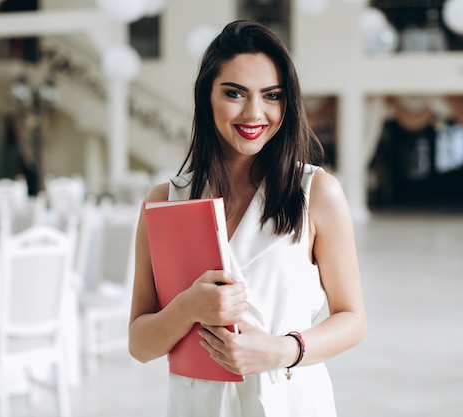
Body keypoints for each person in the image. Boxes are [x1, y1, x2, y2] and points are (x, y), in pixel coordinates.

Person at [129, 20, 366, 417]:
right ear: (207, 96)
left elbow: (353, 319)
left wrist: (282, 349)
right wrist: (187, 307)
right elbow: (140, 344)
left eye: (271, 95)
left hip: (290, 402)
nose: (255, 113)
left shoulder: (317, 194)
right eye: (234, 93)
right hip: (198, 405)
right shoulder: (167, 200)